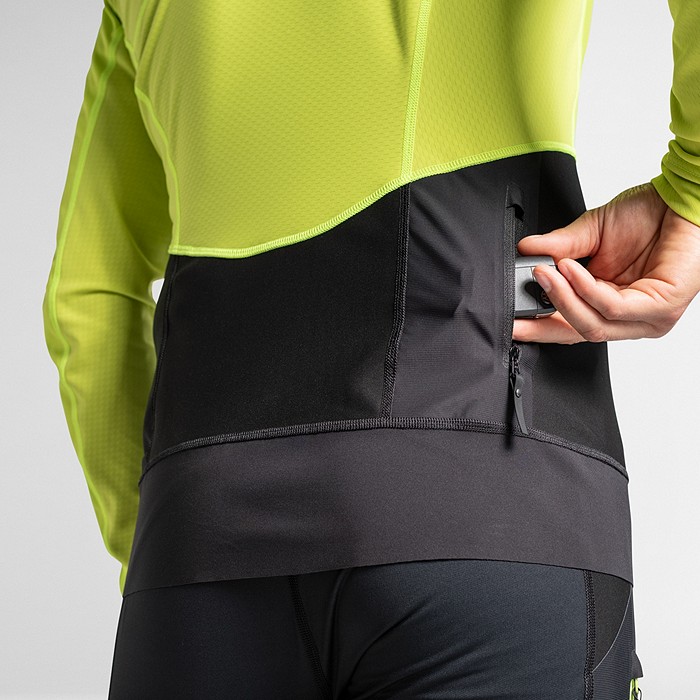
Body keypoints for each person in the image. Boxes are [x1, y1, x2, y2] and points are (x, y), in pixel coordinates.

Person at [41, 1, 700, 698]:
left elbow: (86, 299)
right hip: (491, 510)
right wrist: (690, 192)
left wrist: (171, 546)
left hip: (199, 553)